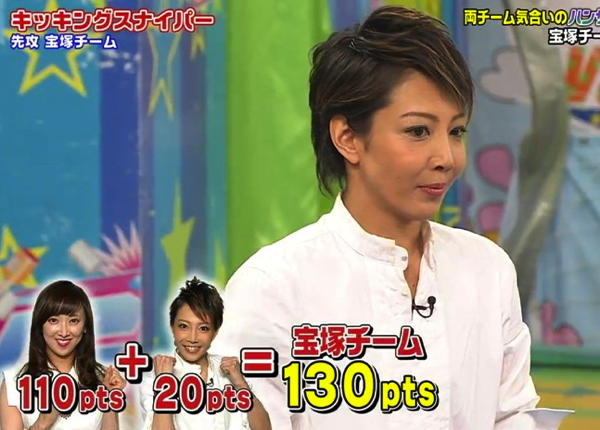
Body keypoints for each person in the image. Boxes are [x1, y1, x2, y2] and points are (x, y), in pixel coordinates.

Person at [209, 5, 573, 430]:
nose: (446, 157)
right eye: (418, 131)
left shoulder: (487, 268)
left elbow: (512, 415)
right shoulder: (274, 285)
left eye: (456, 131)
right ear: (348, 138)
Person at [138, 277, 271, 430]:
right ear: (172, 327)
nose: (192, 338)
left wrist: (241, 384)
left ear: (215, 332)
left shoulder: (231, 370)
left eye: (203, 328)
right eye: (184, 326)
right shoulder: (155, 377)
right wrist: (165, 382)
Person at [0, 280, 126, 430]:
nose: (64, 332)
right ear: (40, 325)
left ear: (85, 326)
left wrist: (110, 397)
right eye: (54, 320)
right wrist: (43, 422)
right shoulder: (14, 382)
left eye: (73, 321)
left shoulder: (103, 377)